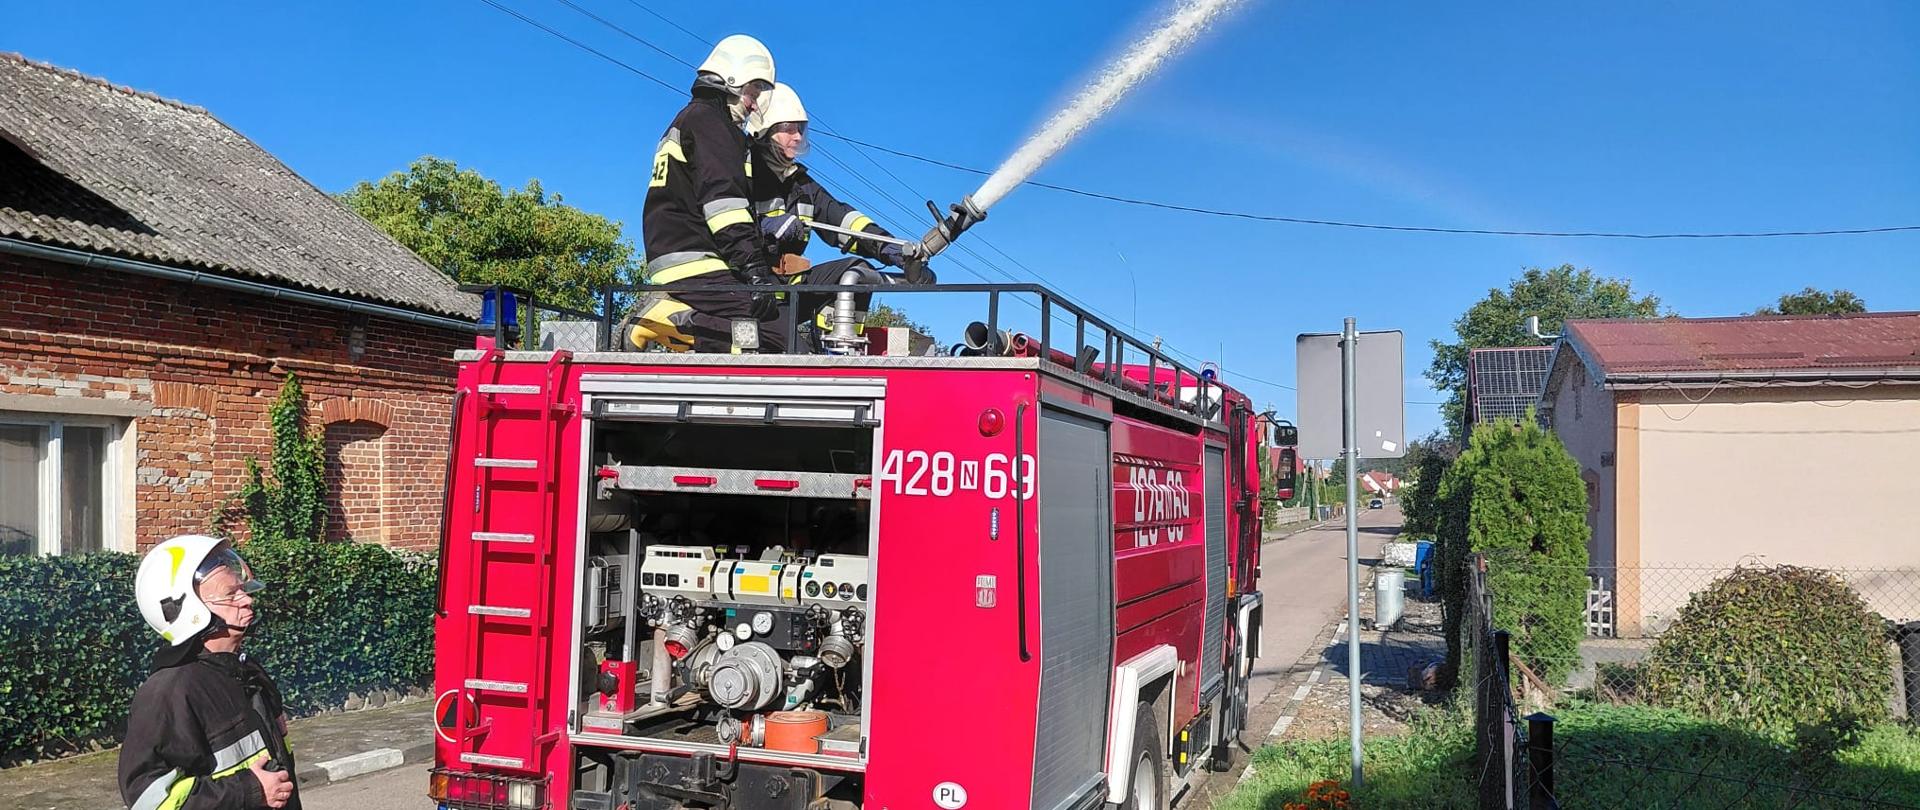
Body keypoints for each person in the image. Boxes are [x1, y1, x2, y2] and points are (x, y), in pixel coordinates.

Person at [745, 83, 935, 351]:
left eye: (800, 129)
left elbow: (844, 222)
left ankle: (844, 347)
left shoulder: (801, 185)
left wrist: (894, 251)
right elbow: (726, 225)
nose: (798, 137)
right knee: (799, 359)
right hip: (751, 295)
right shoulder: (740, 174)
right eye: (788, 128)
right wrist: (766, 228)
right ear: (763, 131)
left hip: (788, 292)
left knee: (856, 271)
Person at [623, 34, 781, 353]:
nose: (754, 103)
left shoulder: (692, 118)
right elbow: (725, 208)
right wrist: (755, 272)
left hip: (680, 257)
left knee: (770, 324)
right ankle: (664, 318)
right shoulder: (713, 124)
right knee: (773, 337)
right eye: (753, 90)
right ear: (731, 80)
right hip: (694, 261)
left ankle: (676, 319)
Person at [120, 535, 299, 810]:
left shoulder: (248, 672)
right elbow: (149, 801)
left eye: (243, 589)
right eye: (231, 594)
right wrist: (249, 791)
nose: (247, 600)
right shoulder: (168, 693)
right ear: (187, 609)